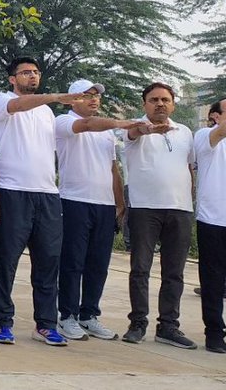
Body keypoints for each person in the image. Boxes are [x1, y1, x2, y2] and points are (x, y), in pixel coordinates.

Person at [0, 57, 91, 347]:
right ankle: (2, 322)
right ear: (12, 78)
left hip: (47, 194)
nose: (31, 77)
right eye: (24, 73)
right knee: (5, 262)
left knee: (48, 263)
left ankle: (45, 324)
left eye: (35, 72)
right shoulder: (1, 100)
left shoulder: (47, 113)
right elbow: (18, 106)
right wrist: (59, 96)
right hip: (12, 191)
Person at [54, 79, 130, 341]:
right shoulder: (64, 122)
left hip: (104, 205)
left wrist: (119, 203)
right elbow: (86, 125)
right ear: (74, 98)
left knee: (98, 264)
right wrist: (122, 123)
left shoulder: (107, 133)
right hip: (74, 201)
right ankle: (67, 316)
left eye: (97, 96)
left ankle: (89, 315)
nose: (94, 100)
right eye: (87, 95)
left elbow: (112, 169)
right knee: (73, 262)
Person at [121, 82, 197, 349]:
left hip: (180, 208)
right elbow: (133, 134)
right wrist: (148, 129)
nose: (160, 104)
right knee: (140, 268)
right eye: (153, 100)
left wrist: (192, 196)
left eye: (165, 99)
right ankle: (138, 322)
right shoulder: (135, 128)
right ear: (145, 104)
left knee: (174, 272)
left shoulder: (185, 132)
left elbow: (191, 167)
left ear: (173, 104)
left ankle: (168, 326)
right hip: (145, 208)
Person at [196, 100, 226, 354]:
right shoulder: (206, 136)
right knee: (213, 281)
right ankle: (214, 332)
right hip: (214, 220)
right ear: (215, 116)